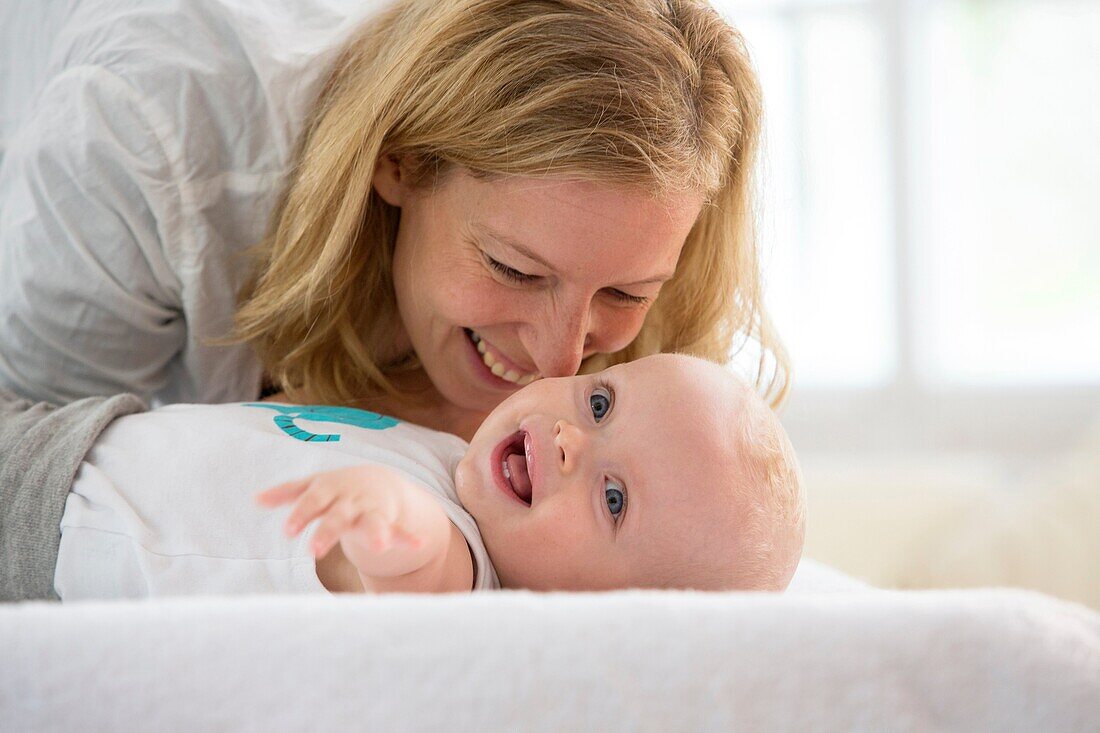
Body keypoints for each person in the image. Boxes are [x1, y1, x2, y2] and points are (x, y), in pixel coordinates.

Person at [0, 0, 787, 445]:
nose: (559, 359)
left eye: (626, 292)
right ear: (398, 160)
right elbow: (22, 481)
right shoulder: (148, 137)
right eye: (515, 270)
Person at [4, 354, 803, 600]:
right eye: (600, 402)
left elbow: (411, 565)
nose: (567, 441)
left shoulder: (460, 563)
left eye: (614, 496)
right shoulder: (460, 467)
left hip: (49, 524)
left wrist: (392, 520)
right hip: (85, 435)